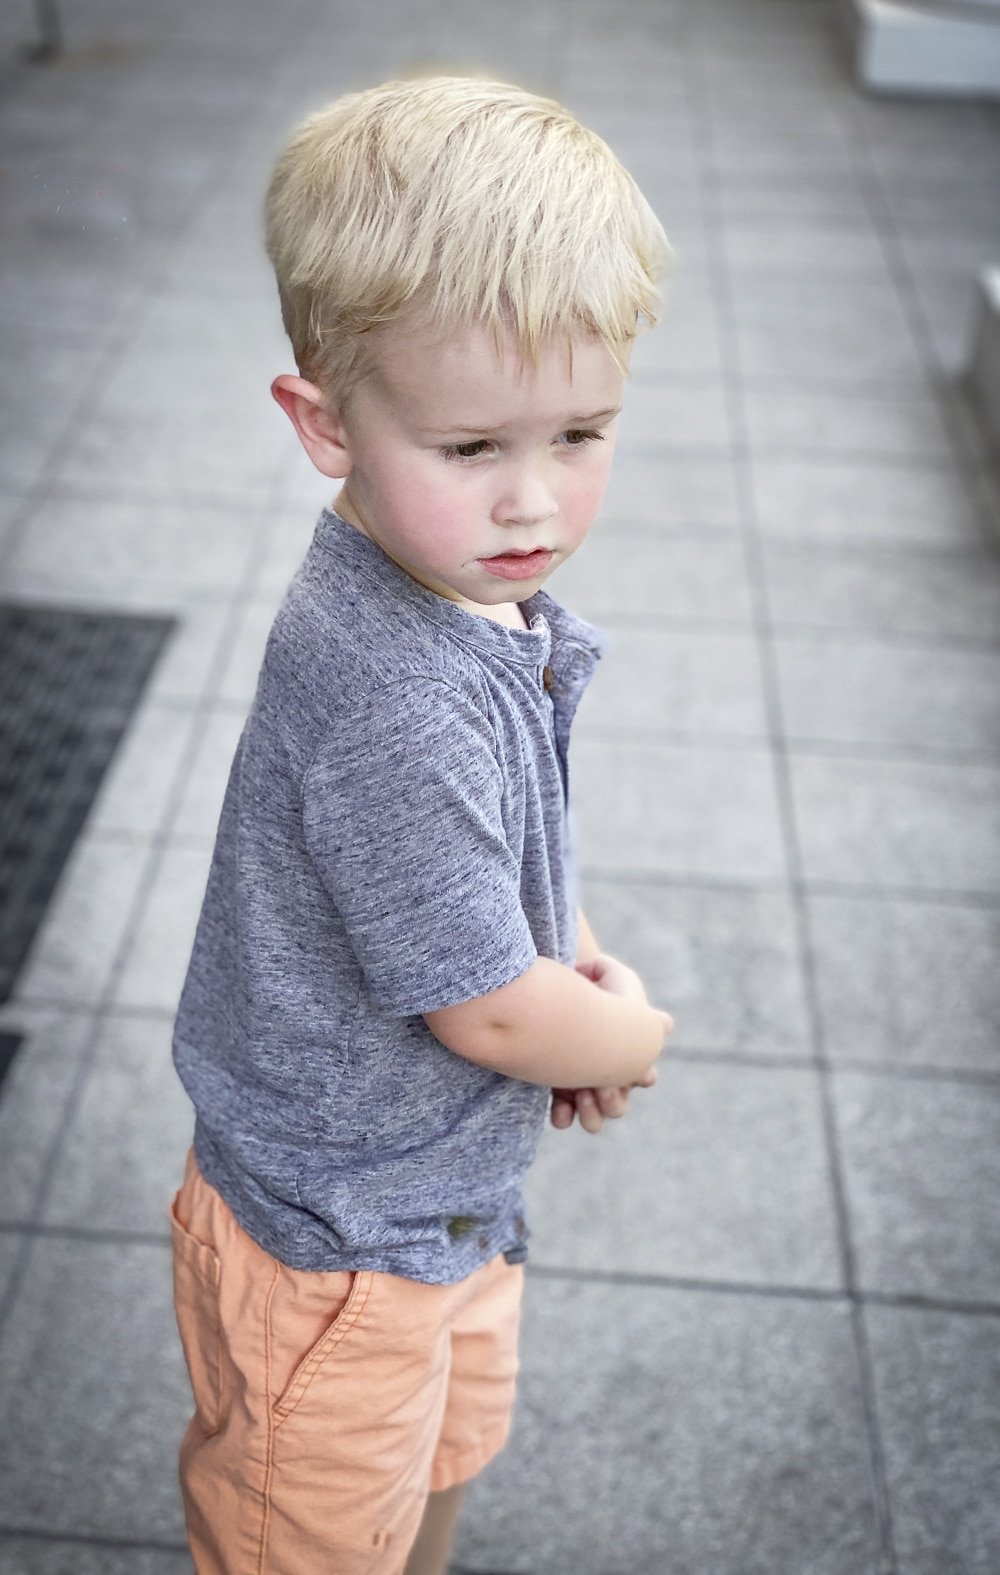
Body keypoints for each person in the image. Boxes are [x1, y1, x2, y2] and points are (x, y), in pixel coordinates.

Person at [169, 74, 674, 1575]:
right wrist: (622, 1033)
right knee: (312, 1536)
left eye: (581, 432)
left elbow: (507, 879)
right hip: (334, 1251)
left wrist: (568, 964)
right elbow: (494, 1025)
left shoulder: (467, 592)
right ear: (323, 423)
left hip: (438, 1201)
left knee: (435, 1472)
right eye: (470, 450)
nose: (534, 501)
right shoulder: (394, 694)